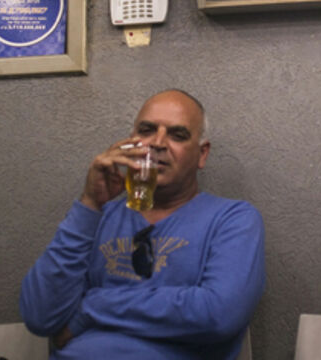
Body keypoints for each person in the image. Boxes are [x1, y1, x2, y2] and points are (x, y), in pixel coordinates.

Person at [20, 90, 266, 360]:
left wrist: (90, 309)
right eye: (147, 130)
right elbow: (39, 316)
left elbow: (218, 314)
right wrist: (89, 204)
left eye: (178, 135)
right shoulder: (99, 216)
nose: (158, 143)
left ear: (201, 154)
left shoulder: (232, 219)